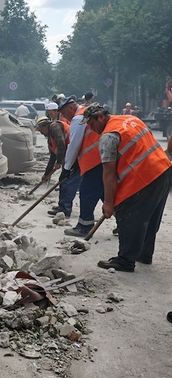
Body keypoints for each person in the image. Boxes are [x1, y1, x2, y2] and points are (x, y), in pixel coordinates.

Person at [82, 103, 172, 272]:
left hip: (145, 177)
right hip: (163, 170)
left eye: (91, 124)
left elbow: (108, 173)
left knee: (128, 215)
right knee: (150, 217)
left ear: (100, 117)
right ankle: (144, 255)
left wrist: (109, 203)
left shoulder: (108, 136)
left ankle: (125, 260)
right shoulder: (131, 119)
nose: (90, 128)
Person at [58, 96, 104, 237]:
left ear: (71, 108)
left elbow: (74, 145)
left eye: (65, 113)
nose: (65, 117)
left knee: (86, 193)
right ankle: (123, 225)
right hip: (101, 160)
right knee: (106, 196)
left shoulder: (78, 118)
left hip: (94, 163)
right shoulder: (85, 112)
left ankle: (84, 226)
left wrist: (66, 168)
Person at [36, 117, 80, 218]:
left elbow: (61, 143)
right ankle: (62, 207)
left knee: (68, 183)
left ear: (45, 126)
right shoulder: (50, 138)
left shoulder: (55, 127)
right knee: (62, 181)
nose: (41, 133)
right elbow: (52, 157)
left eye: (41, 130)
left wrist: (59, 161)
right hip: (69, 159)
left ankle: (65, 209)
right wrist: (46, 174)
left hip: (76, 158)